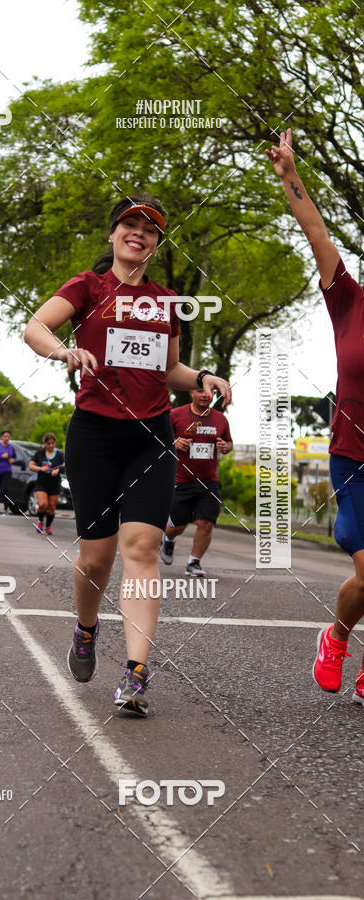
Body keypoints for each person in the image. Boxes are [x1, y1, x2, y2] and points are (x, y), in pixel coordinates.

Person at [24, 194, 231, 716]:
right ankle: (87, 629)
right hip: (94, 433)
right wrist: (62, 350)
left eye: (150, 229)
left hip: (151, 435)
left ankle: (137, 672)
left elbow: (170, 372)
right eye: (131, 224)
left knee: (141, 546)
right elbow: (35, 327)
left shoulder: (166, 302)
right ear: (114, 235)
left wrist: (203, 378)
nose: (139, 233)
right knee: (97, 556)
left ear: (157, 245)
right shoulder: (87, 286)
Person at [267, 129, 364, 703]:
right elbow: (316, 231)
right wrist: (290, 176)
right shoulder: (351, 301)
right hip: (354, 459)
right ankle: (338, 637)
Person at [160, 388, 233, 576]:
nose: (204, 395)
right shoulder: (176, 415)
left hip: (209, 482)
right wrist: (173, 443)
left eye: (209, 392)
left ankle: (194, 562)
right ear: (192, 392)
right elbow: (159, 438)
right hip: (181, 480)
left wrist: (226, 447)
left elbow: (229, 442)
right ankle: (168, 539)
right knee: (178, 526)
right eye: (200, 391)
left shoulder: (220, 419)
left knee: (206, 523)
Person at [29, 432, 65, 534]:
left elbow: (65, 465)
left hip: (54, 484)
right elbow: (30, 466)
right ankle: (40, 521)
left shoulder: (59, 454)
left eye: (52, 443)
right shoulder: (39, 454)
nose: (51, 445)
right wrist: (41, 468)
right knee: (43, 504)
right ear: (45, 444)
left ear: (55, 443)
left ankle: (48, 527)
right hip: (41, 484)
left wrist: (58, 470)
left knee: (52, 507)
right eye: (48, 443)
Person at [0, 430, 17, 515]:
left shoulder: (11, 447)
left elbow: (14, 457)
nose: (6, 438)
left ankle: (6, 509)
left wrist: (13, 460)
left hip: (7, 471)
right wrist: (1, 456)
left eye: (8, 437)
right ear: (1, 437)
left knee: (5, 489)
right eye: (5, 436)